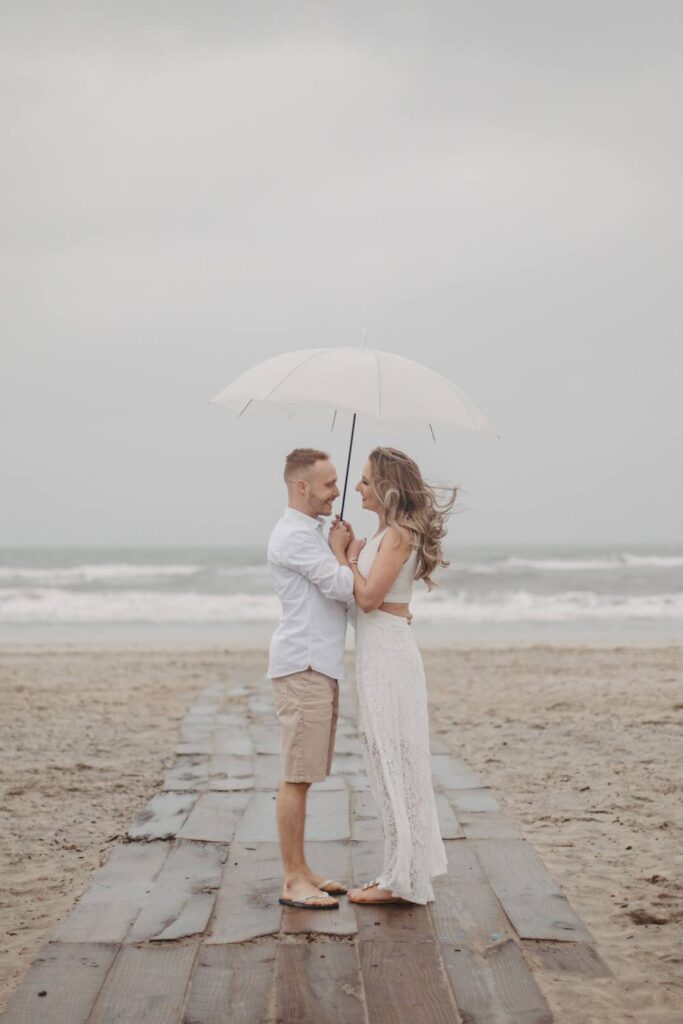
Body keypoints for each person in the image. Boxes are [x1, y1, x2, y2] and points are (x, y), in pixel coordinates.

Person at [342, 446, 455, 905]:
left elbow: (367, 599)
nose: (358, 488)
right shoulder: (385, 535)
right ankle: (400, 868)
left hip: (388, 659)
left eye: (366, 480)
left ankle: (403, 878)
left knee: (395, 763)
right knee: (384, 760)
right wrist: (353, 551)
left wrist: (344, 558)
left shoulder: (398, 536)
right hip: (378, 654)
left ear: (387, 487)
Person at [267, 447, 354, 910]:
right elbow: (341, 586)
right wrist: (341, 554)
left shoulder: (314, 532)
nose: (336, 492)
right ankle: (291, 881)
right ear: (301, 486)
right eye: (328, 484)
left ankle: (303, 870)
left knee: (307, 772)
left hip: (319, 664)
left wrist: (341, 547)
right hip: (303, 665)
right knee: (296, 776)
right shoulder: (293, 537)